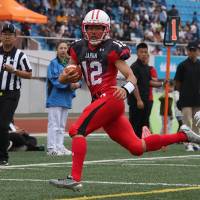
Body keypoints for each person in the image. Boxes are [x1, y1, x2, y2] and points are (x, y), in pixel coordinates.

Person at [49, 9, 200, 191]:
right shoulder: (77, 47)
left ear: (106, 29)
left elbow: (131, 76)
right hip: (101, 102)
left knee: (77, 130)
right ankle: (184, 135)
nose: (94, 31)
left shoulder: (112, 48)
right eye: (91, 28)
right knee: (137, 147)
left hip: (111, 98)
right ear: (84, 28)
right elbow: (65, 76)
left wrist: (125, 88)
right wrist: (66, 77)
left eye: (98, 27)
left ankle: (74, 178)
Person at [0, 23, 32, 165]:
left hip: (11, 94)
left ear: (15, 37)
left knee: (3, 125)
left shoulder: (20, 55)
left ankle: (3, 157)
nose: (7, 37)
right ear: (1, 36)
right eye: (4, 34)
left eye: (10, 34)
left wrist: (14, 71)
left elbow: (29, 74)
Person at [46, 40, 81, 156]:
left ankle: (60, 146)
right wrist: (69, 84)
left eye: (65, 48)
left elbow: (79, 78)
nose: (63, 50)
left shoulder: (70, 65)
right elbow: (55, 80)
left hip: (66, 98)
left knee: (61, 126)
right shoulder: (53, 63)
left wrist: (77, 84)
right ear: (57, 50)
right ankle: (51, 148)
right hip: (55, 98)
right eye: (61, 48)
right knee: (54, 124)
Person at [128, 43, 163, 138]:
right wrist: (138, 99)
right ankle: (133, 143)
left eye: (145, 52)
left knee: (144, 124)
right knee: (135, 124)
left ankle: (143, 144)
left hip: (146, 100)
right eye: (141, 52)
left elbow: (148, 82)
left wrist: (162, 84)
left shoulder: (147, 68)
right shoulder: (134, 67)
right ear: (137, 53)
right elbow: (133, 84)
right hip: (136, 102)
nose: (144, 54)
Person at [174, 41, 200, 151]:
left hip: (198, 99)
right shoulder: (182, 65)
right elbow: (177, 82)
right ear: (187, 51)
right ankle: (186, 143)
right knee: (187, 122)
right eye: (190, 50)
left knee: (197, 123)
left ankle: (195, 143)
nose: (192, 52)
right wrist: (179, 96)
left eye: (194, 50)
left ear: (198, 51)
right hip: (185, 99)